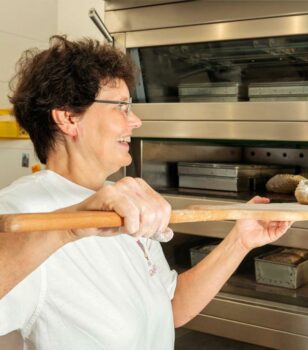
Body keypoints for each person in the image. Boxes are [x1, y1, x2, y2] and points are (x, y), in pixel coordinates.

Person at [0, 36, 292, 350]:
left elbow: (171, 308)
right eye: (121, 108)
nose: (136, 121)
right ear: (69, 117)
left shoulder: (121, 199)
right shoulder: (20, 210)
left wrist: (240, 240)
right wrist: (68, 229)